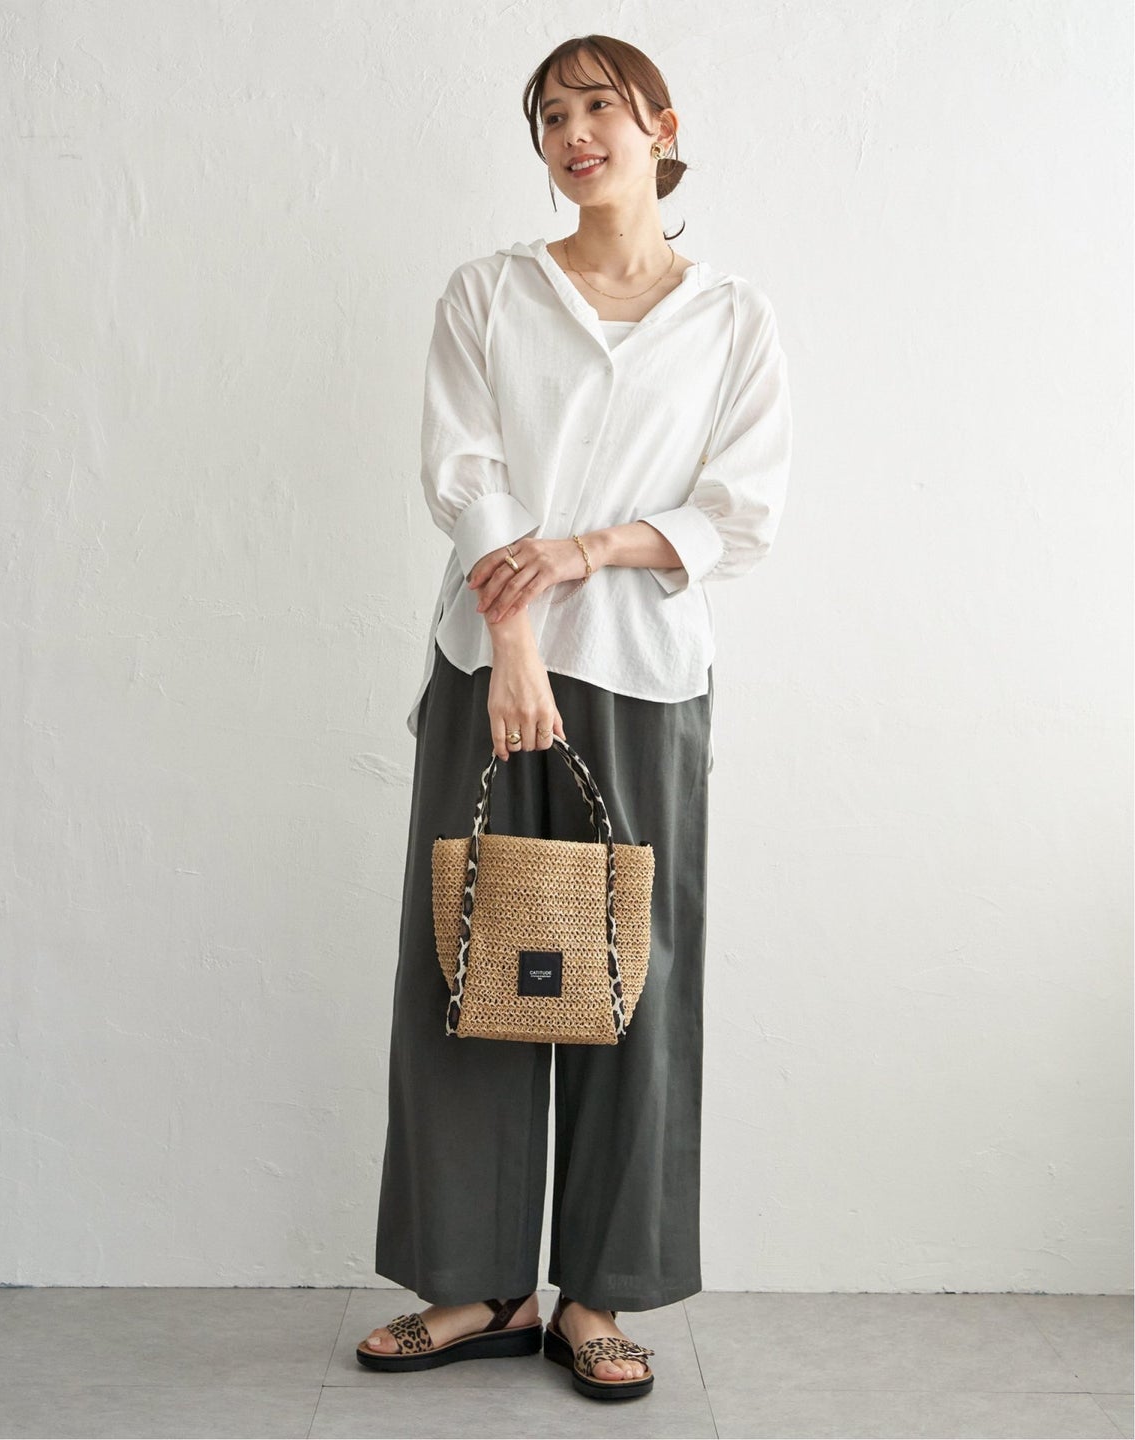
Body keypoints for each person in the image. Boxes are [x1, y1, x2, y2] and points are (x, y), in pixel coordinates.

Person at [355, 33, 793, 1401]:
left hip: (645, 676)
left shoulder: (733, 319)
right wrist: (514, 643)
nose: (574, 133)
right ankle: (480, 1286)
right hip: (491, 664)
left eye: (600, 106)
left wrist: (588, 552)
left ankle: (596, 1294)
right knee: (469, 959)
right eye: (550, 115)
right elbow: (464, 468)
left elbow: (739, 514)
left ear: (663, 124)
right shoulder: (489, 292)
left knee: (628, 978)